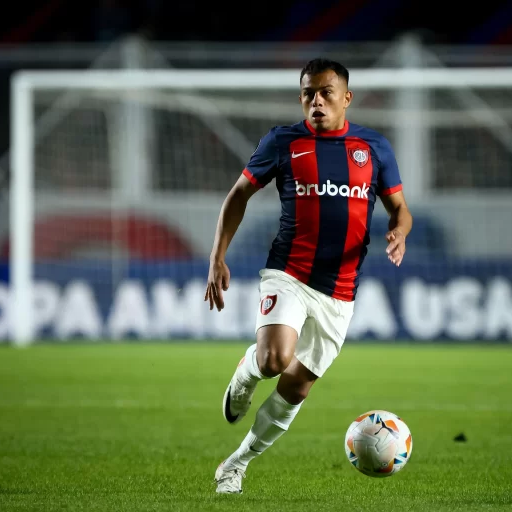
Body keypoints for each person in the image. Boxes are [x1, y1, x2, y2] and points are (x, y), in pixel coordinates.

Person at [204, 57, 413, 494]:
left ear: (346, 98)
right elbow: (238, 195)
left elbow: (400, 208)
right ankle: (246, 374)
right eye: (308, 93)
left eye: (325, 93)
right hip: (290, 272)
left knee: (295, 388)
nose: (316, 101)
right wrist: (217, 256)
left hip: (341, 291)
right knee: (273, 360)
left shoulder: (373, 148)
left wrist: (400, 230)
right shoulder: (283, 142)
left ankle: (235, 465)